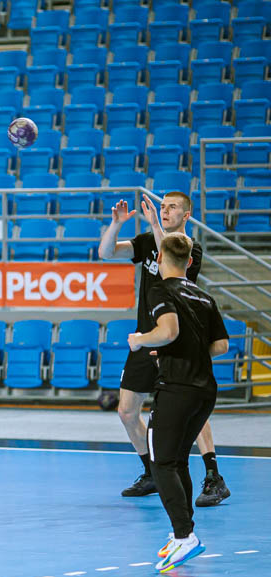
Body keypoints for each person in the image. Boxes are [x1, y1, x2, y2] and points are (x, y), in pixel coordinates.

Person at [99, 192, 230, 506]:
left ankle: (213, 476)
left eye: (172, 207)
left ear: (186, 215)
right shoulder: (148, 240)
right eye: (162, 207)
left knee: (189, 410)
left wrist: (157, 226)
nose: (165, 211)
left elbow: (167, 262)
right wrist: (116, 224)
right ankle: (151, 473)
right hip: (147, 338)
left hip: (176, 341)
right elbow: (106, 252)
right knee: (126, 411)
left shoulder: (187, 248)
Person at [127, 232, 229, 572]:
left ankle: (185, 537)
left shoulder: (160, 289)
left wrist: (141, 339)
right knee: (178, 460)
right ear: (190, 261)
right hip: (205, 390)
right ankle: (181, 533)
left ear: (159, 259)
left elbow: (168, 331)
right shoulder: (203, 296)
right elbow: (221, 346)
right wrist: (186, 350)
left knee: (161, 463)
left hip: (177, 388)